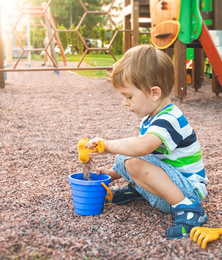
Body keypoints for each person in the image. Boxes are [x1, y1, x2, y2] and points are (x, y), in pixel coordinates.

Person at [85, 44, 208, 239]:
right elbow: (145, 153)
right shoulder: (152, 117)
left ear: (154, 93)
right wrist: (112, 173)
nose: (125, 102)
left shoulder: (170, 119)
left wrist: (107, 146)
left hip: (186, 190)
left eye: (129, 96)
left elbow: (142, 148)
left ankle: (189, 209)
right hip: (169, 187)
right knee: (128, 153)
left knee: (132, 155)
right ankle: (141, 190)